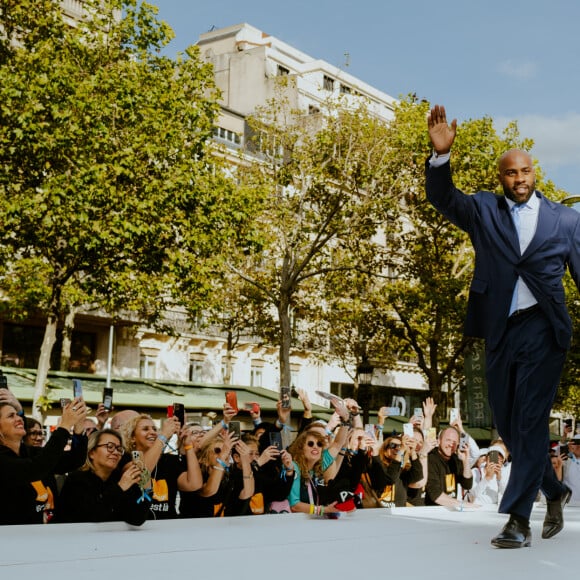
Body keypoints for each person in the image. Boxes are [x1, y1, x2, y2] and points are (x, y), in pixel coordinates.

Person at [426, 104, 577, 548]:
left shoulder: (566, 221)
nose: (519, 179)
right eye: (510, 174)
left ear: (535, 173)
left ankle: (516, 519)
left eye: (525, 171)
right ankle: (554, 489)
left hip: (545, 330)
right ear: (501, 179)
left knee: (530, 420)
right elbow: (444, 199)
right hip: (499, 329)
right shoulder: (483, 211)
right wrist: (440, 159)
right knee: (510, 427)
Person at [0, 399, 88, 524]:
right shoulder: (3, 459)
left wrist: (78, 429)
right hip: (9, 536)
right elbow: (36, 468)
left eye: (18, 415)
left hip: (42, 534)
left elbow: (74, 460)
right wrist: (64, 427)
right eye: (10, 416)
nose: (19, 419)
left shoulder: (31, 452)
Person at [56, 429, 150, 525]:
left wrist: (145, 487)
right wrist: (120, 487)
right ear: (91, 452)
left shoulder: (119, 478)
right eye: (110, 447)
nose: (116, 452)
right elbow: (91, 516)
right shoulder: (77, 480)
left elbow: (137, 519)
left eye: (119, 449)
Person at [424, 426, 473, 509]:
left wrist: (466, 461)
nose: (451, 444)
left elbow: (467, 485)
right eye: (448, 440)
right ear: (439, 441)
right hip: (432, 511)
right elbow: (435, 495)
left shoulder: (456, 459)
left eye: (454, 442)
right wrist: (462, 504)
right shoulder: (431, 459)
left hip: (450, 509)